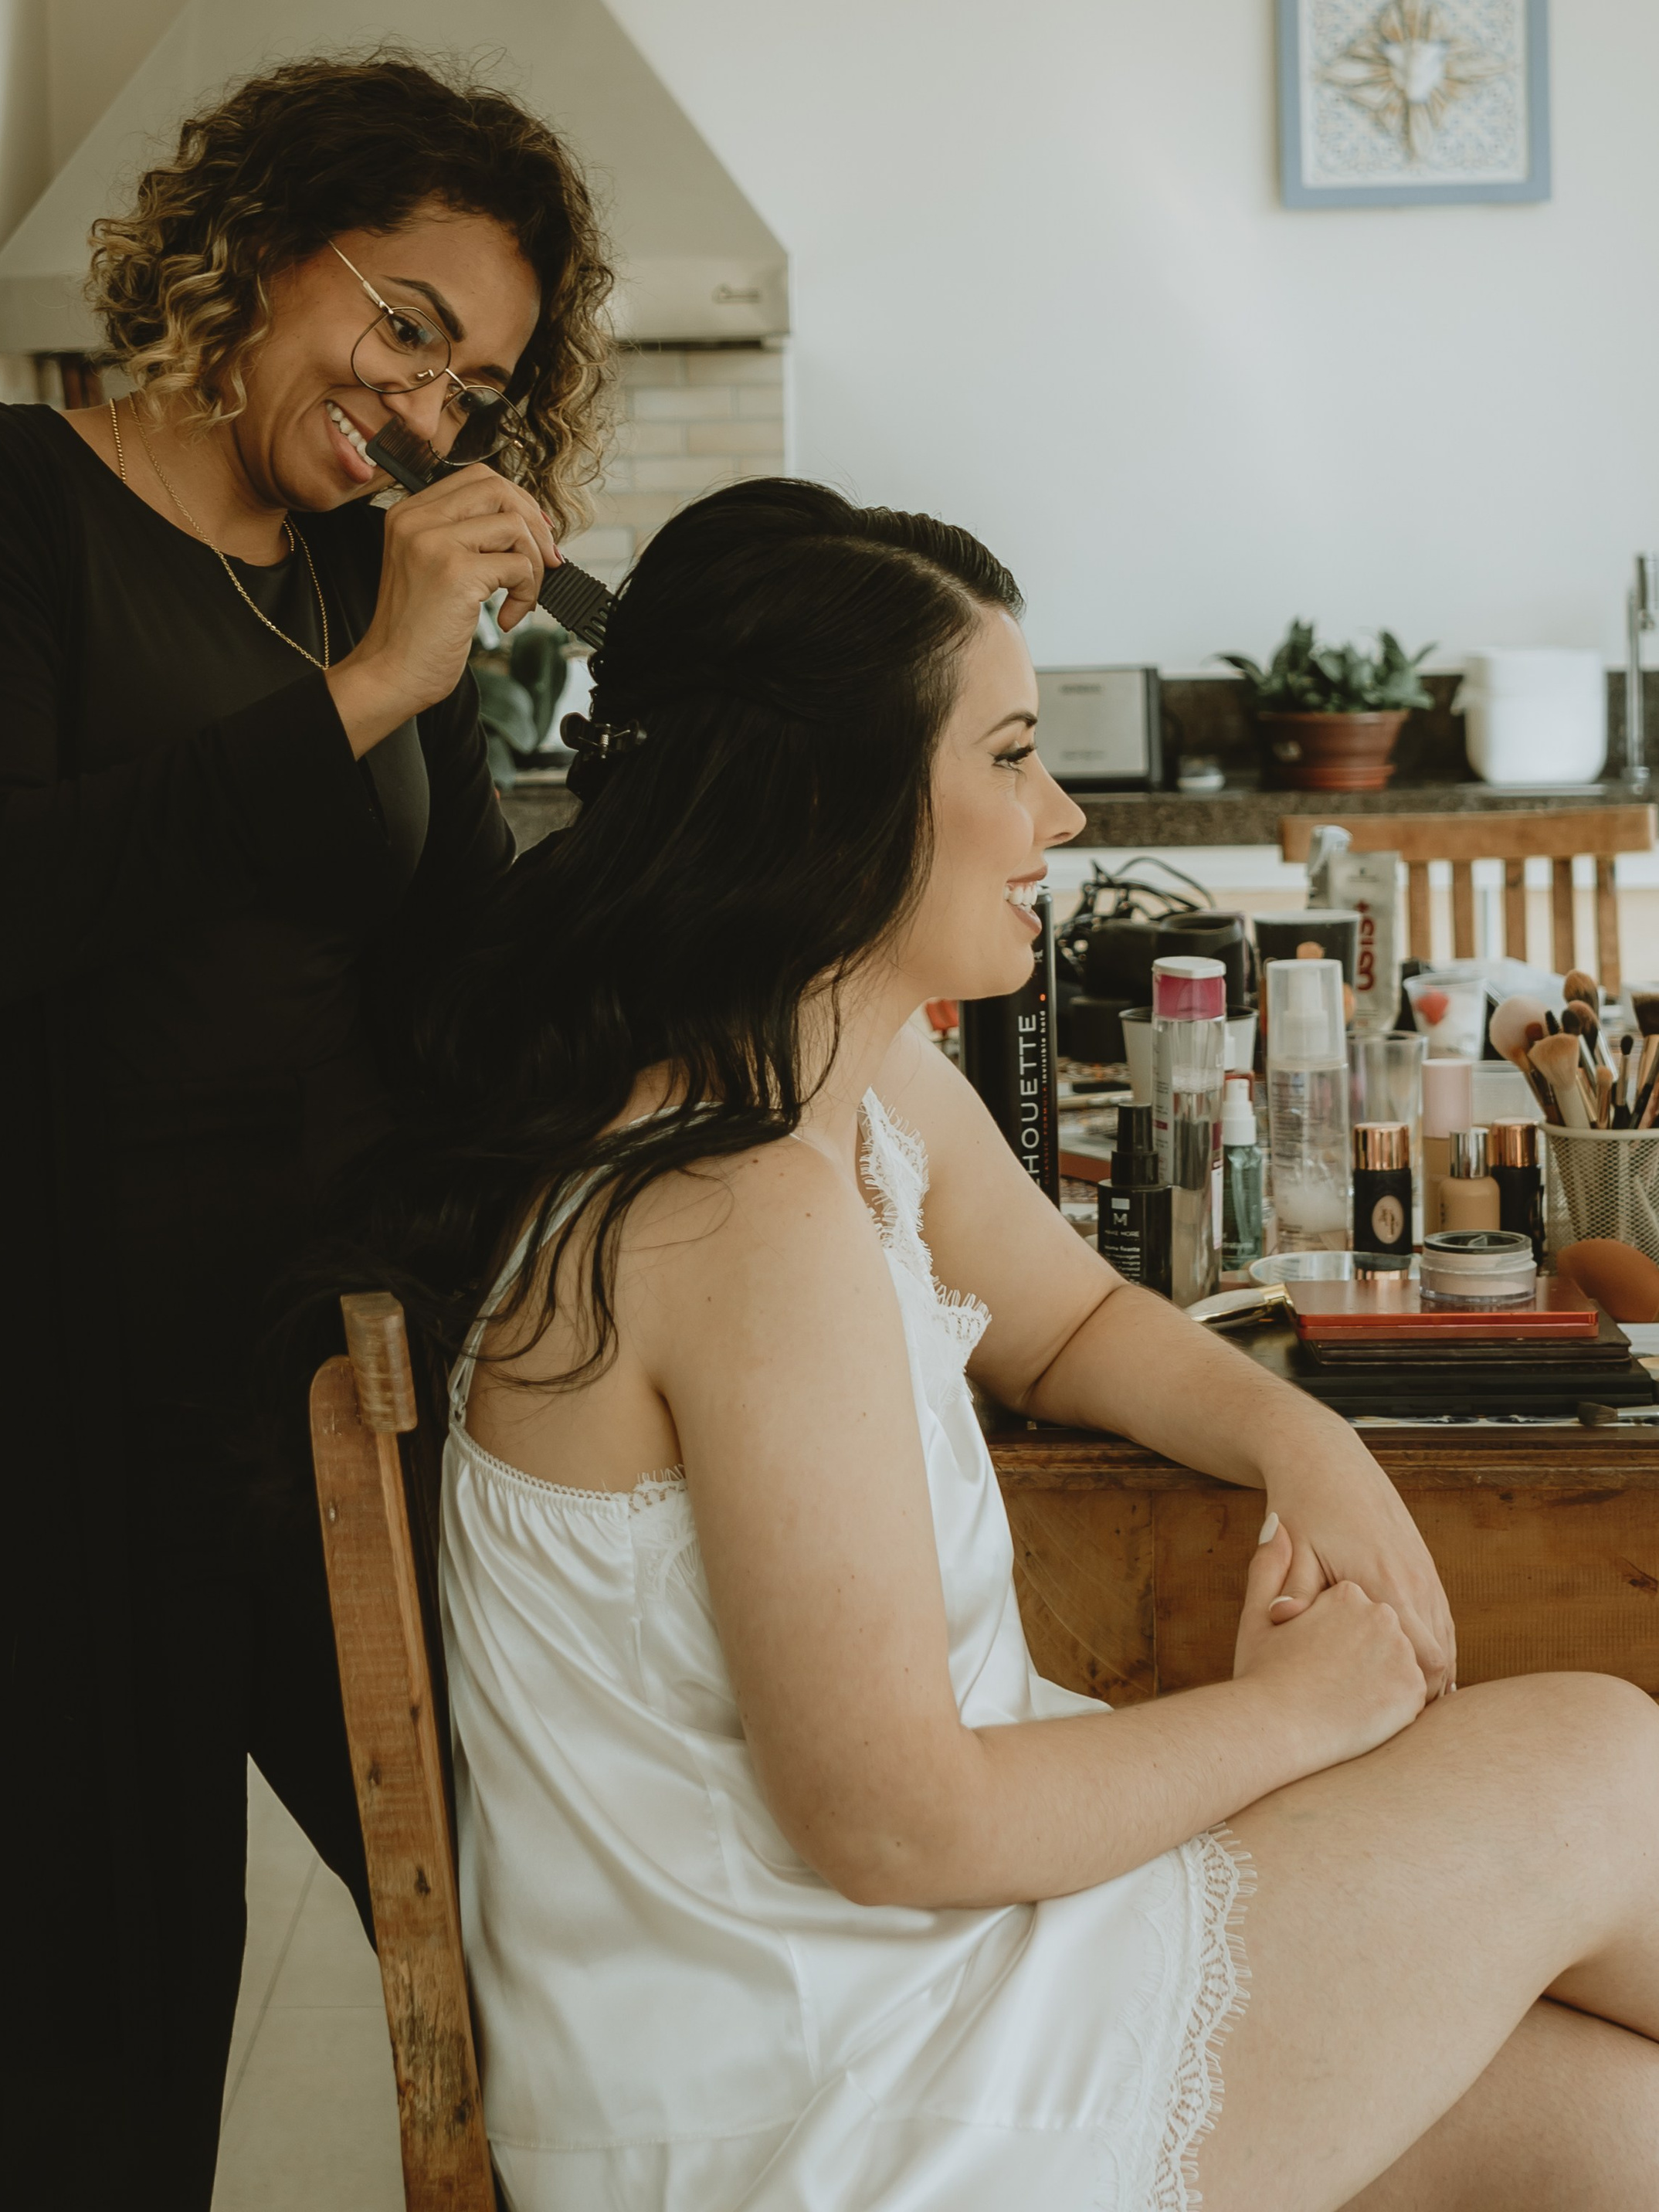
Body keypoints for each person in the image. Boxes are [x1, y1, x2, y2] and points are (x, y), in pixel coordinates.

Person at [325, 477, 1659, 2212]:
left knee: (1608, 2134)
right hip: (825, 2101)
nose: (1062, 807)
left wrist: (1299, 1440)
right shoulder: (736, 1214)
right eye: (1009, 754)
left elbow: (1067, 1315)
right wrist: (1301, 1715)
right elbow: (897, 1825)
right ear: (838, 808)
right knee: (1594, 1760)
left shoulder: (838, 1082)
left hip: (901, 1993)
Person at [0, 53, 613, 2208]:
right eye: (404, 323)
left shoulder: (357, 593)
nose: (423, 409)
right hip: (32, 1433)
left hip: (326, 1404)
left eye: (472, 386)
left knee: (543, 1957)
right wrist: (378, 691)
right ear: (261, 243)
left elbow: (474, 989)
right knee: (100, 2102)